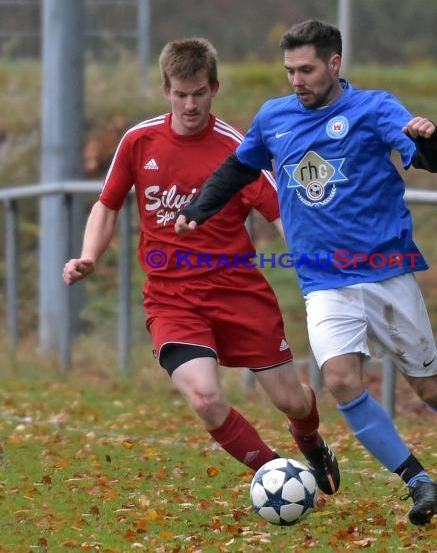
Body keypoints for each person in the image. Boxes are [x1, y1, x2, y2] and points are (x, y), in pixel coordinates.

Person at [174, 19, 437, 526]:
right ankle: (419, 482)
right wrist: (200, 206)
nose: (295, 81)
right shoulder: (274, 116)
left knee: (430, 389)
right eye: (289, 71)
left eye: (306, 69)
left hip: (386, 271)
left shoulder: (374, 108)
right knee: (340, 381)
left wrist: (428, 140)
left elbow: (430, 161)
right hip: (323, 282)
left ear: (335, 63)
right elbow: (239, 167)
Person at [61, 37, 340, 497]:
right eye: (180, 94)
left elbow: (280, 213)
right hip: (173, 299)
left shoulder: (237, 151)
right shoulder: (139, 141)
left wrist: (311, 259)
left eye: (199, 94)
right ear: (166, 90)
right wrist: (90, 255)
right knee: (205, 398)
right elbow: (107, 205)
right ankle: (278, 478)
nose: (190, 105)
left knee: (291, 399)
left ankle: (308, 439)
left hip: (238, 293)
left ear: (214, 88)